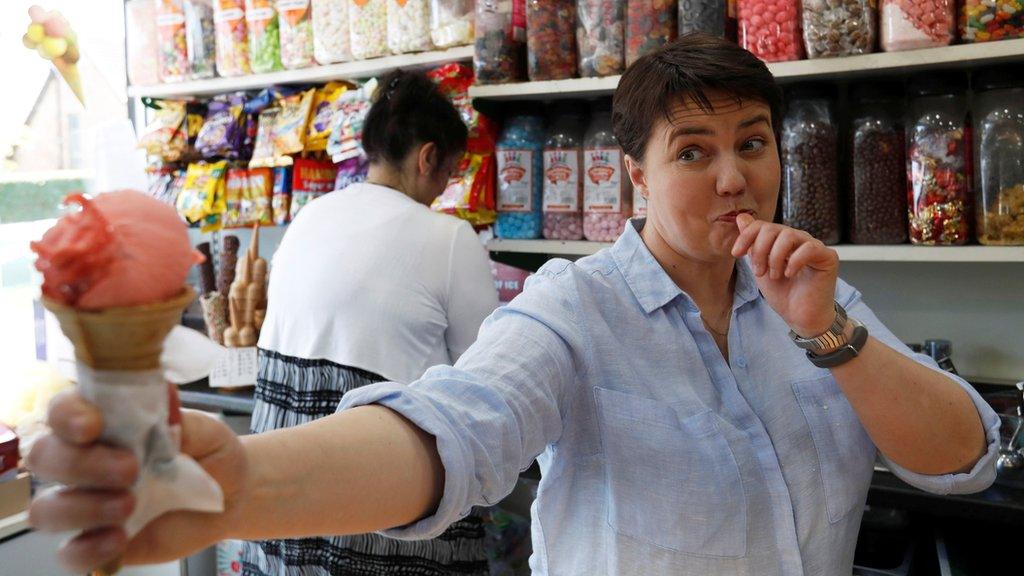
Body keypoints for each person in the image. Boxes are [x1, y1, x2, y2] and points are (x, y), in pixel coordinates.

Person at [27, 34, 1000, 576]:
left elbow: (964, 454)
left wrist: (830, 333)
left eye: (753, 142)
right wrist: (241, 483)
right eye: (693, 151)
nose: (734, 174)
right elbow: (454, 426)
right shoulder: (572, 309)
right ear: (633, 178)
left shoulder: (820, 300)